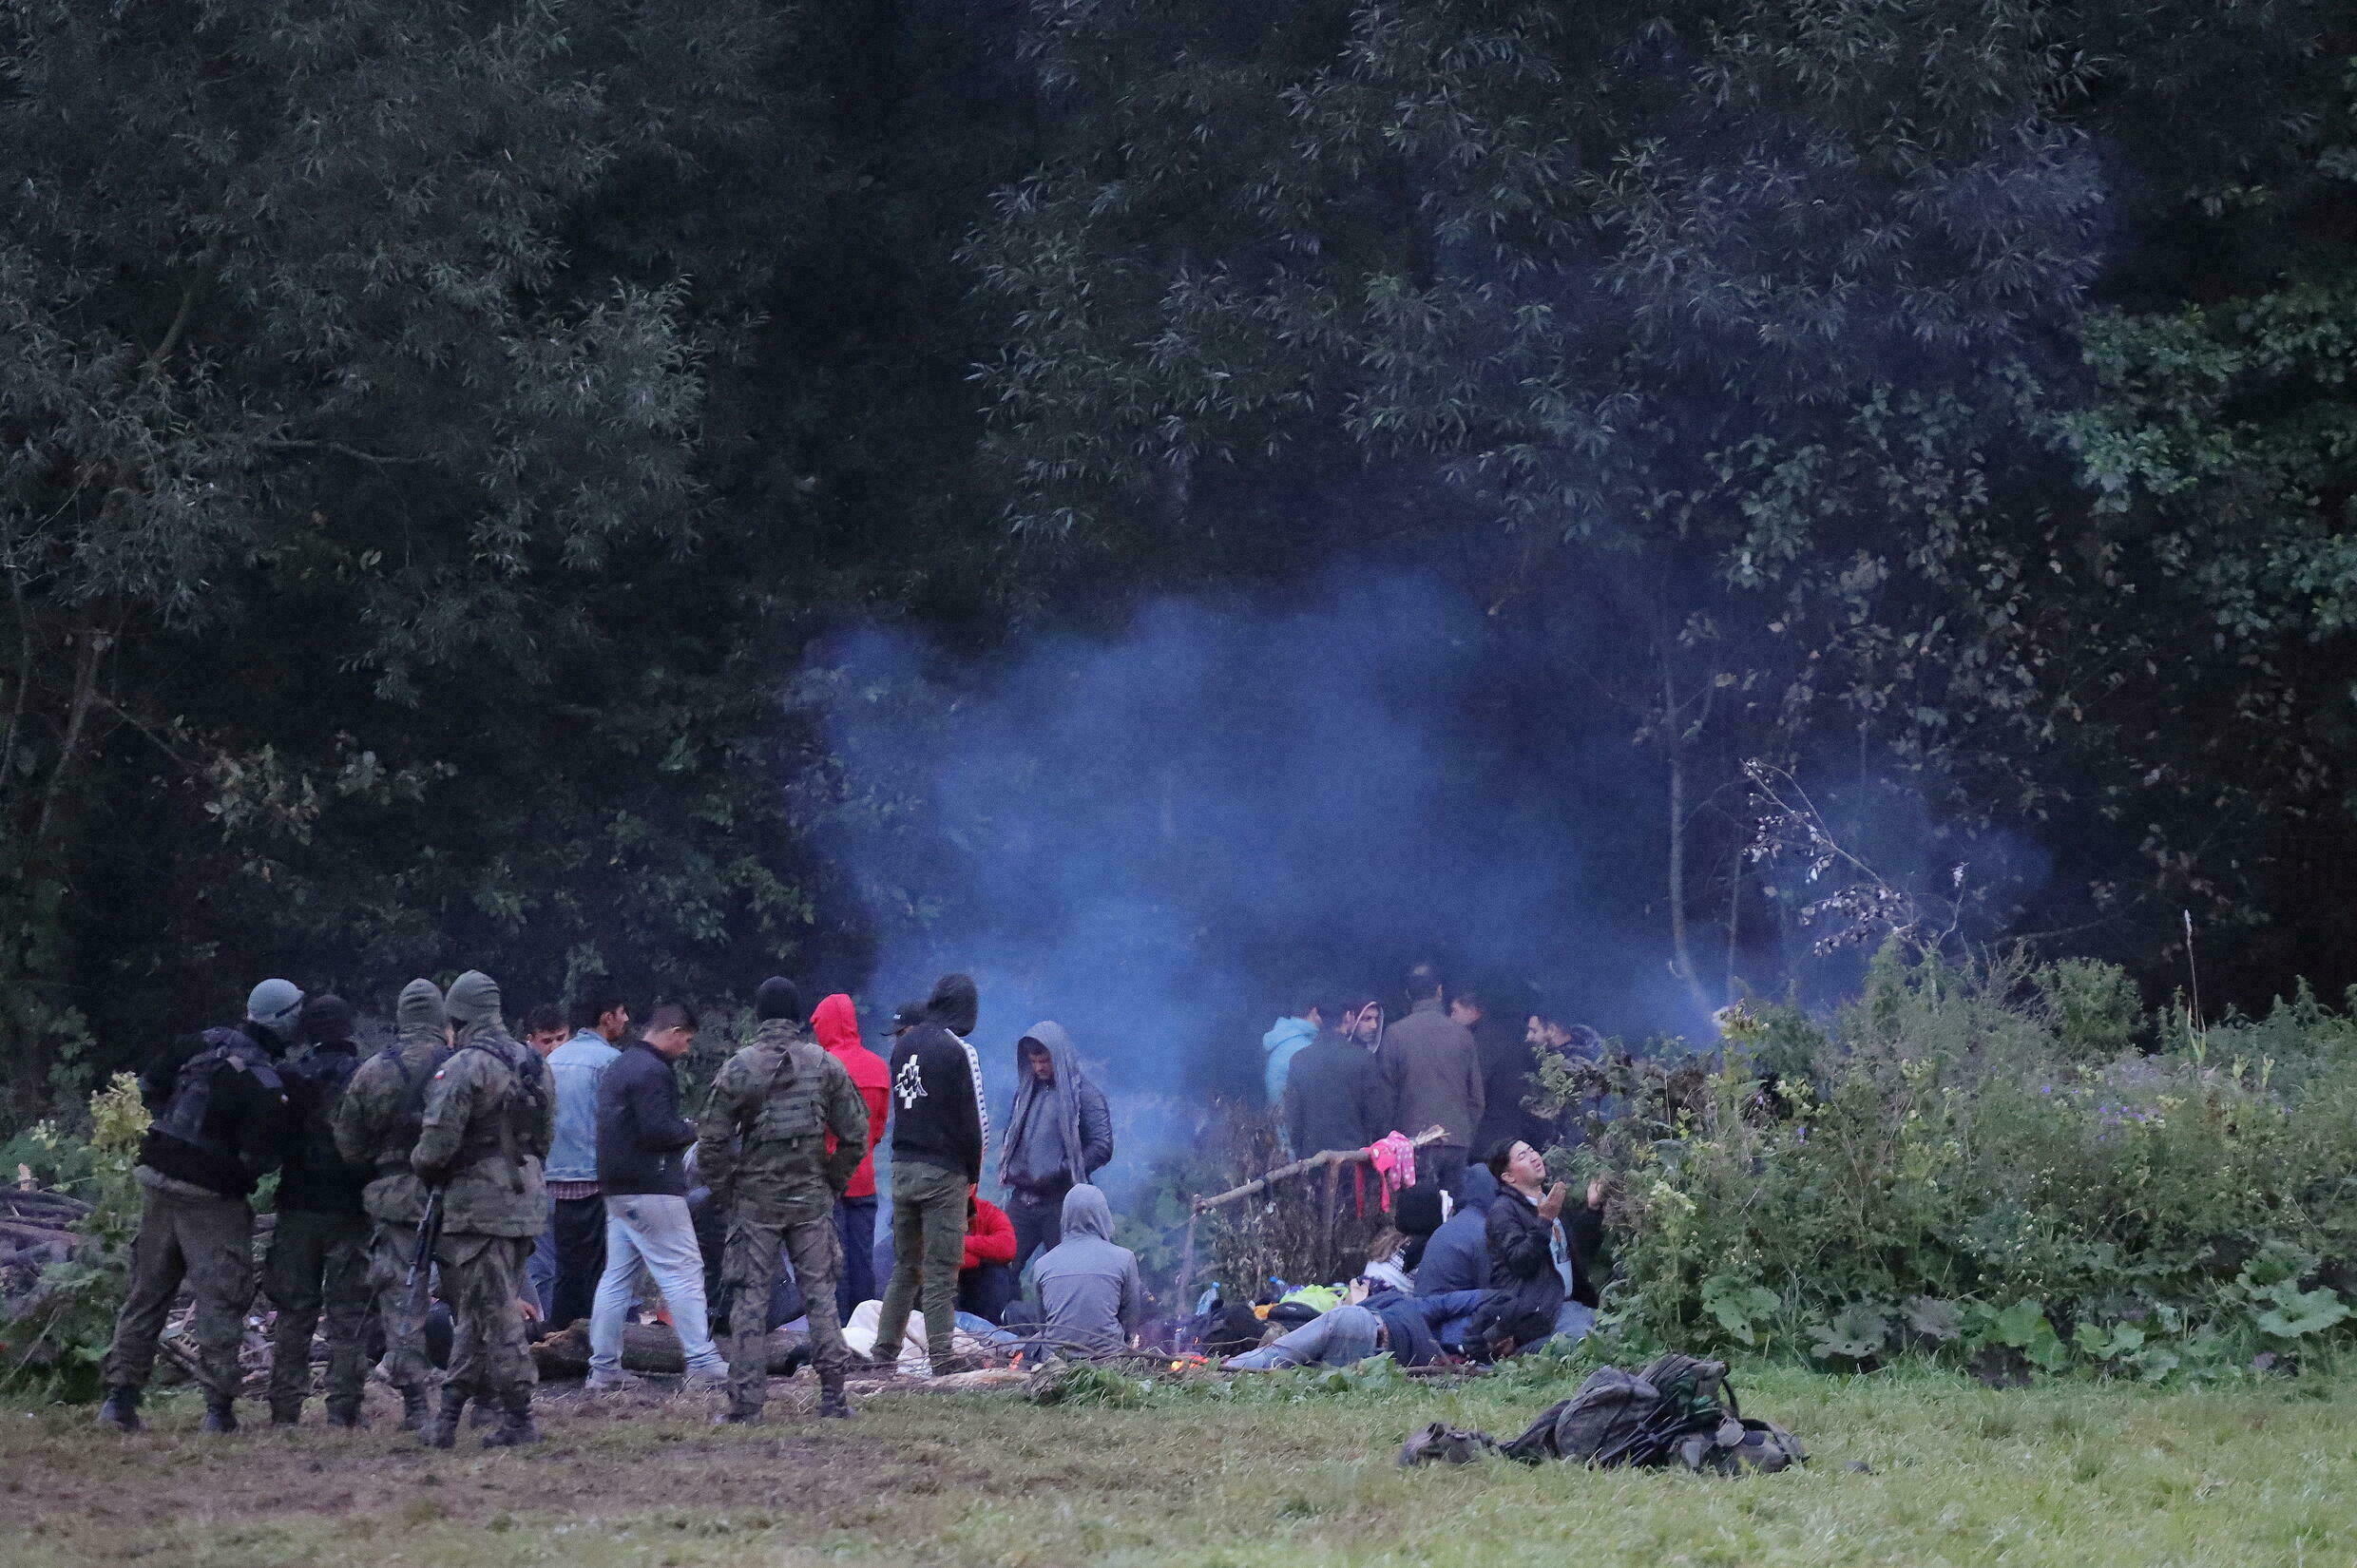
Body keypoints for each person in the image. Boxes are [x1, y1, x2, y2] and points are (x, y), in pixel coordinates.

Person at [95, 980, 300, 1434]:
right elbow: (261, 1158)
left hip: (157, 1181)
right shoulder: (265, 1082)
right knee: (220, 1300)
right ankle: (218, 1411)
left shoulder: (197, 1044)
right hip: (211, 1201)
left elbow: (147, 1087)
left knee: (146, 1294)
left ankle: (118, 1401)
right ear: (286, 1021)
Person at [696, 977, 870, 1422]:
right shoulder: (826, 1065)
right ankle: (834, 1399)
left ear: (759, 1016)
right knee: (821, 1297)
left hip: (756, 1204)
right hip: (811, 1201)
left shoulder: (739, 1067)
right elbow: (855, 1135)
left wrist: (730, 1192)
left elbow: (711, 1143)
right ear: (797, 1017)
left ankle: (746, 1406)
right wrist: (830, 1183)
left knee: (750, 1300)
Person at [409, 969, 554, 1447]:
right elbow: (545, 1136)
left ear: (458, 1016)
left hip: (479, 1205)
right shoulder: (533, 1062)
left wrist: (428, 1171)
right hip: (526, 1198)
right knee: (475, 1310)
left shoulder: (464, 1066)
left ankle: (520, 1418)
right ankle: (448, 1418)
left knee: (496, 1313)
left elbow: (435, 1147)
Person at [331, 978, 453, 1431]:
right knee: (475, 1297)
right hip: (457, 1196)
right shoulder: (459, 1064)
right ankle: (478, 1401)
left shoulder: (372, 1072)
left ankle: (416, 1404)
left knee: (403, 1300)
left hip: (395, 1197)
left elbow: (348, 1145)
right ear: (442, 1020)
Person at [588, 1002, 728, 1393]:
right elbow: (656, 1131)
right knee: (684, 1271)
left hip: (617, 1189)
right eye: (685, 1039)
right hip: (652, 1187)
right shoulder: (653, 1071)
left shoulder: (622, 1064)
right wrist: (692, 1130)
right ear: (673, 1031)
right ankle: (702, 1360)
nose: (686, 1048)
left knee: (616, 1278)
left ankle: (603, 1369)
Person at [262, 994, 375, 1427]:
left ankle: (284, 1408)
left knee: (293, 1310)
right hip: (351, 1210)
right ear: (348, 1030)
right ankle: (344, 1408)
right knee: (349, 1313)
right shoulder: (366, 1075)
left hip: (297, 1207)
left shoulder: (289, 1076)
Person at [872, 973, 988, 1375]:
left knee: (906, 1265)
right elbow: (976, 1121)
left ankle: (884, 1351)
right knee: (941, 1269)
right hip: (943, 1173)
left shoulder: (904, 1045)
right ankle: (941, 1355)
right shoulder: (959, 1050)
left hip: (901, 1168)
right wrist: (973, 1175)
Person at [539, 989, 628, 1330]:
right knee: (605, 1272)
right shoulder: (609, 1062)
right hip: (596, 1178)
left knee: (566, 1268)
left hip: (556, 1179)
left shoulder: (552, 1061)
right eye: (622, 1012)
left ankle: (561, 1335)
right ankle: (598, 1346)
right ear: (607, 1017)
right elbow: (617, 1125)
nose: (626, 1019)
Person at [997, 1022, 1113, 1275]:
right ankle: (1003, 1315)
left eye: (1045, 1061)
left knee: (1065, 1273)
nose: (1039, 1067)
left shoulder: (1086, 1095)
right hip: (1021, 1199)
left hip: (1061, 1202)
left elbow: (1102, 1146)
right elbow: (1012, 1131)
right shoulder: (1026, 1092)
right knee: (1000, 1269)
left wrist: (1062, 1169)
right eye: (1034, 1061)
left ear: (1059, 1057)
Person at [1469, 1139, 1604, 1356]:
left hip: (1569, 1304)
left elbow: (1576, 1251)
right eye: (1522, 1156)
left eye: (1532, 1150)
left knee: (1612, 1333)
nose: (1533, 1157)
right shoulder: (1503, 1211)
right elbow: (1521, 1262)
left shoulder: (1550, 1198)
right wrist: (1544, 1220)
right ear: (1508, 1177)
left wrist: (1592, 1208)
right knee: (1583, 1343)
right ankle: (1523, 1353)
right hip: (1539, 1311)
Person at [811, 992, 888, 1320]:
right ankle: (864, 1330)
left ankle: (838, 1334)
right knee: (862, 1260)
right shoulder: (878, 1066)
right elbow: (880, 1127)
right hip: (865, 1177)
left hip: (829, 1179)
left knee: (832, 1261)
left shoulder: (819, 1067)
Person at [1228, 1274, 1490, 1371]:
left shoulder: (1405, 1305)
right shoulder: (1434, 1350)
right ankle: (1228, 1371)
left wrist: (1358, 1300)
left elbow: (1356, 1312)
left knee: (1276, 1356)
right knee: (1294, 1370)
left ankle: (1224, 1369)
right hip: (1372, 1352)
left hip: (1358, 1324)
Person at [1379, 964, 1484, 1197]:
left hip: (1413, 1144)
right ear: (1439, 991)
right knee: (1453, 1210)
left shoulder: (1395, 1034)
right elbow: (1476, 1097)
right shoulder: (1463, 1035)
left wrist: (1392, 1138)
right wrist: (1463, 1131)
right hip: (1456, 1139)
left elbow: (1386, 1097)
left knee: (1417, 1214)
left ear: (1408, 995)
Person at [1027, 1184, 1140, 1357]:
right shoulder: (1124, 1258)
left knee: (1031, 1344)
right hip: (1109, 1362)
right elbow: (1130, 1322)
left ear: (1065, 1216)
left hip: (1056, 1362)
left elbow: (1042, 1324)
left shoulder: (1043, 1264)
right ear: (1104, 1215)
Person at [1281, 993, 1387, 1157]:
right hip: (1355, 1161)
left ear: (1319, 1017)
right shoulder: (1364, 1059)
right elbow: (1377, 1117)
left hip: (1313, 1162)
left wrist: (1301, 1155)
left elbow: (1293, 1121)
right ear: (1349, 1016)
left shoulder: (1298, 1060)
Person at [1461, 988, 1545, 1157]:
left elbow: (1475, 1086)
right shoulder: (1521, 1035)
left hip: (1491, 1132)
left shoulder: (1484, 1039)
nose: (1450, 1018)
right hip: (1522, 1128)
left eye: (1454, 1011)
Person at [957, 1187, 1019, 1324]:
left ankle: (996, 1325)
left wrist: (962, 1241)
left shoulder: (987, 1211)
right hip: (945, 1286)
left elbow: (1008, 1248)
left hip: (980, 1288)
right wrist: (979, 1256)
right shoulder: (932, 1214)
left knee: (998, 1272)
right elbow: (929, 1255)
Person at [1260, 993, 1322, 1108]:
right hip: (1292, 1124)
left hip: (1278, 1121)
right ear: (1314, 1012)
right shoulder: (1301, 1048)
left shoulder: (1283, 1038)